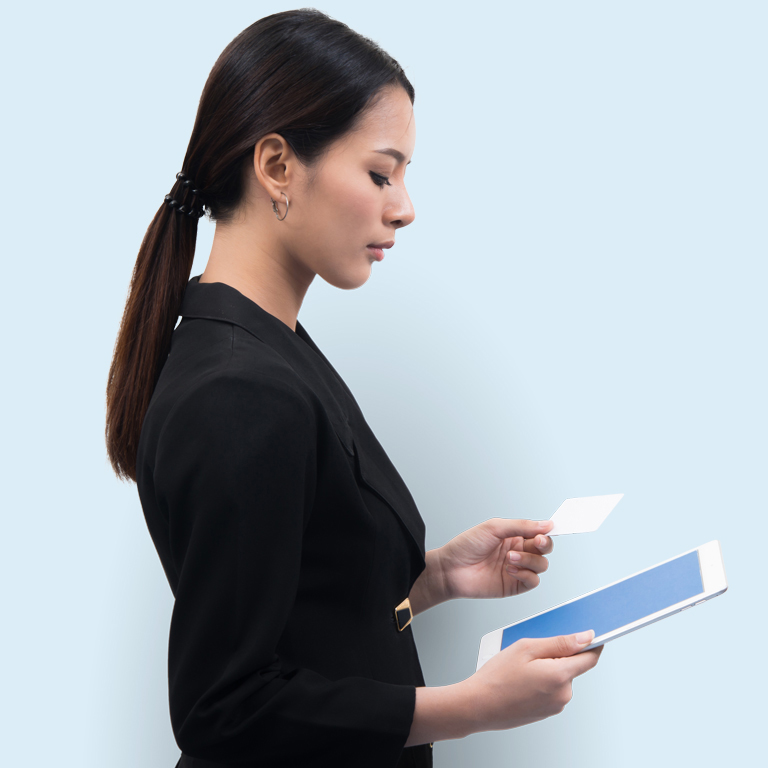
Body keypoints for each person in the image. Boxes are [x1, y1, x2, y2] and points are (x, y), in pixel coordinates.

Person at [105, 9, 603, 767]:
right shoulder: (240, 391)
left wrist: (430, 579)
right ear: (276, 167)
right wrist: (469, 708)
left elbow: (297, 602)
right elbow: (223, 707)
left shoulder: (268, 347)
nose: (403, 206)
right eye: (380, 172)